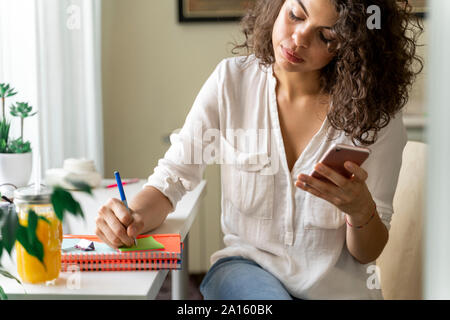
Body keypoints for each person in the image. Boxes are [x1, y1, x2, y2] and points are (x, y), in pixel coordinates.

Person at [95, 0, 423, 299]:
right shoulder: (231, 82)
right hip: (245, 273)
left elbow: (367, 253)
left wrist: (360, 211)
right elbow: (174, 178)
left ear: (352, 46)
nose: (298, 39)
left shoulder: (377, 116)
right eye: (295, 15)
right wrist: (132, 217)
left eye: (326, 36)